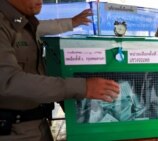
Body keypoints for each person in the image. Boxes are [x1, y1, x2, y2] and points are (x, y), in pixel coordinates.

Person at [0, 0, 120, 141]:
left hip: (38, 124)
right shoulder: (5, 26)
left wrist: (72, 22)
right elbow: (8, 81)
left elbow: (44, 27)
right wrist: (82, 87)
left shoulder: (23, 22)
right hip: (12, 130)